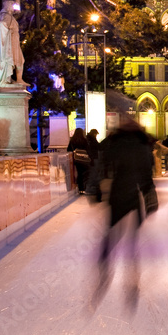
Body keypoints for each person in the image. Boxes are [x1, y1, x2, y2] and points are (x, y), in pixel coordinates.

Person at [93, 115, 157, 309]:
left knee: (111, 232)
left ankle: (104, 266)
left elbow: (101, 164)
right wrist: (150, 197)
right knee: (132, 237)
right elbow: (146, 173)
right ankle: (131, 273)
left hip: (118, 193)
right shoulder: (141, 145)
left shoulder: (116, 142)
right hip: (132, 195)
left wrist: (94, 189)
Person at [68, 127, 90, 195]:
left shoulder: (72, 140)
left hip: (76, 159)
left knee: (79, 173)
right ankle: (84, 187)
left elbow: (69, 149)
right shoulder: (84, 140)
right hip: (84, 159)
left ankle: (80, 188)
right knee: (85, 173)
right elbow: (88, 149)